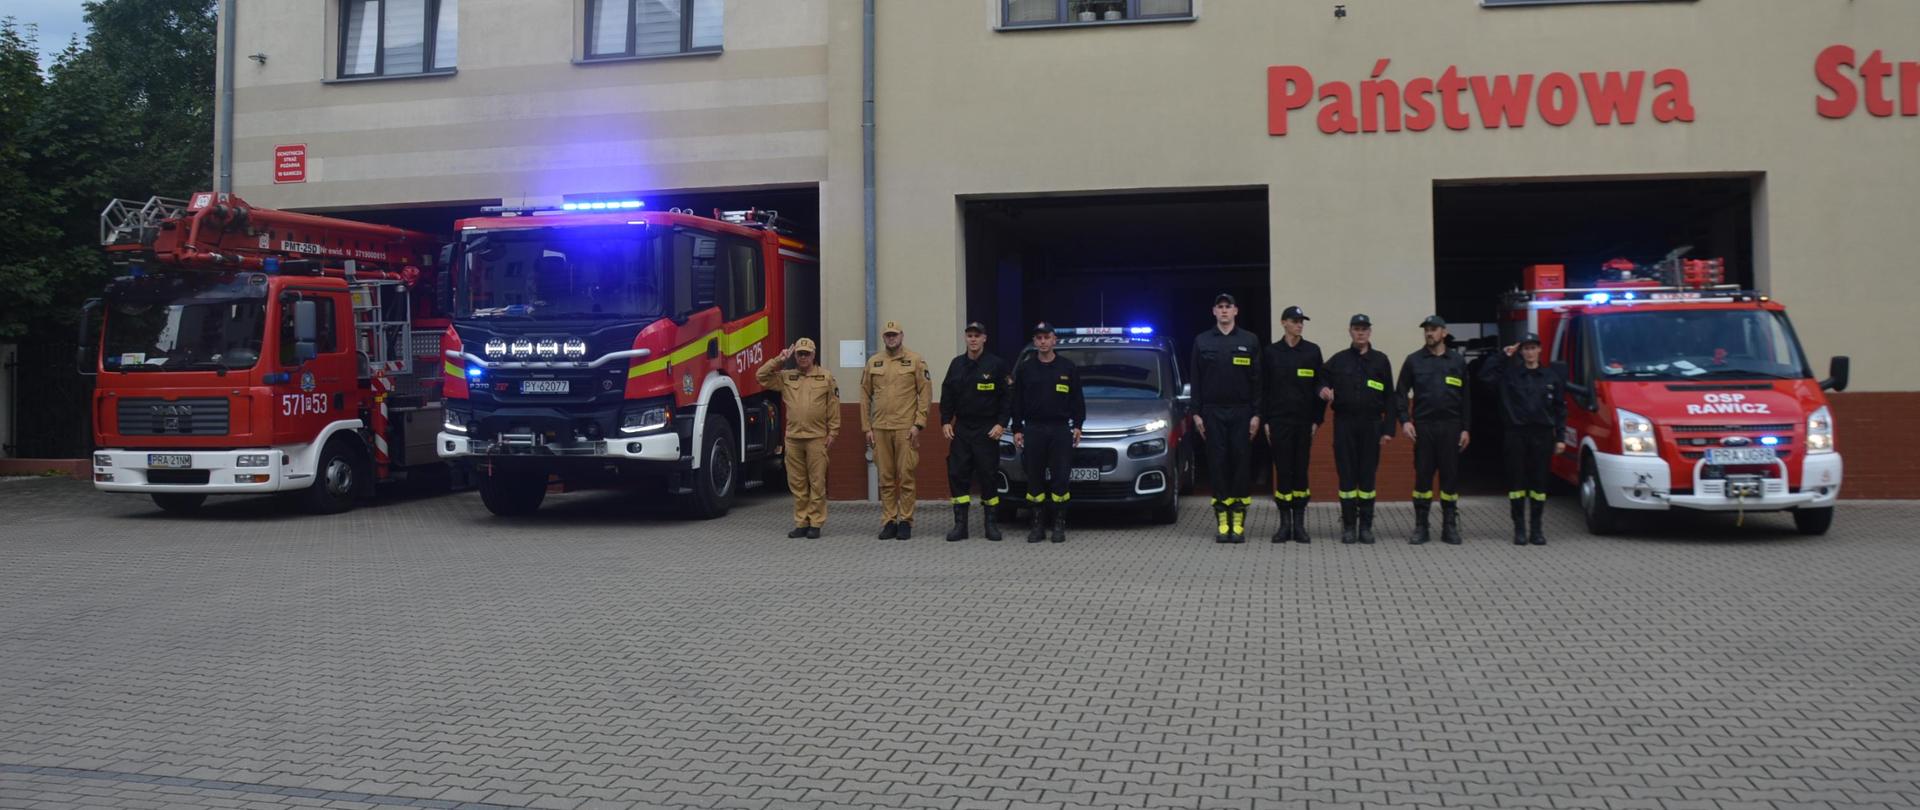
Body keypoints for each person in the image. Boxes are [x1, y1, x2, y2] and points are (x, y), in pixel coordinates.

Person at [1480, 332, 1568, 546]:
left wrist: (1561, 437)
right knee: (1516, 483)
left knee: (1539, 485)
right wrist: (1503, 355)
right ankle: (1519, 529)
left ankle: (1536, 529)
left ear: (1539, 350)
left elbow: (1559, 409)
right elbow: (1485, 377)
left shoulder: (1550, 377)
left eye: (1533, 348)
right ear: (1520, 352)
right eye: (1525, 348)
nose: (1529, 352)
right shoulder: (1510, 376)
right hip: (1516, 435)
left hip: (1543, 435)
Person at [1189, 293, 1262, 543]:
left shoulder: (1249, 340)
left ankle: (1239, 521)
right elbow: (1196, 380)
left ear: (1235, 311)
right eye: (1219, 307)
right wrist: (1196, 413)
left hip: (1242, 412)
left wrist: (1256, 414)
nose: (1223, 311)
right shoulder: (1202, 341)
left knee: (1241, 464)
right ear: (1213, 311)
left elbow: (1257, 381)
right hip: (1212, 412)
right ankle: (1222, 521)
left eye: (1227, 307)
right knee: (1218, 464)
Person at [1396, 315, 1471, 546]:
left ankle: (1449, 526)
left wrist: (1466, 428)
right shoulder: (1414, 361)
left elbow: (1466, 399)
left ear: (1444, 332)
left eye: (1434, 329)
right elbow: (1400, 393)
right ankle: (1421, 526)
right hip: (1424, 427)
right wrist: (1405, 421)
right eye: (1427, 330)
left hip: (1451, 427)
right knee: (1423, 478)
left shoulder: (1457, 362)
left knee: (1449, 479)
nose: (1429, 333)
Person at [1320, 314, 1394, 544]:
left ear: (1369, 332)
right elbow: (1320, 377)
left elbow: (1390, 397)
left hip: (1371, 425)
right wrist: (1322, 388)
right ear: (1350, 332)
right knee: (1347, 476)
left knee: (1367, 476)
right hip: (1344, 424)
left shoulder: (1381, 360)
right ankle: (1349, 526)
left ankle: (1366, 527)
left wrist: (1388, 429)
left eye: (1364, 329)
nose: (1360, 332)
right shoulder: (1339, 360)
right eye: (1356, 329)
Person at [756, 338, 839, 538]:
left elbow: (833, 407)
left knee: (817, 482)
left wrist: (833, 432)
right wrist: (779, 360)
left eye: (806, 354)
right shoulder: (787, 377)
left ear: (813, 355)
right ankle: (802, 522)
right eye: (799, 354)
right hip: (793, 438)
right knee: (797, 483)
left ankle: (816, 523)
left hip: (816, 438)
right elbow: (761, 376)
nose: (803, 357)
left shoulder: (825, 377)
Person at [1010, 322, 1085, 543]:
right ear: (1034, 342)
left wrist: (1078, 425)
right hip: (1034, 429)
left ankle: (1059, 525)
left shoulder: (1067, 368)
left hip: (1060, 429)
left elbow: (1077, 401)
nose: (1043, 342)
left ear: (1054, 340)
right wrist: (1017, 428)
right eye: (1039, 338)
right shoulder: (1025, 368)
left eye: (1046, 338)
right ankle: (1037, 526)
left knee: (1061, 478)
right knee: (1034, 479)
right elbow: (1017, 402)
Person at [940, 321, 1012, 542]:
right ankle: (960, 525)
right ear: (965, 338)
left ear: (984, 339)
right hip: (962, 428)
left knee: (988, 475)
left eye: (977, 335)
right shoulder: (956, 364)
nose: (973, 339)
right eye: (969, 335)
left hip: (987, 429)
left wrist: (1001, 424)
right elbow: (947, 395)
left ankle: (991, 525)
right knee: (957, 474)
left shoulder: (996, 365)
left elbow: (1007, 398)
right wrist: (945, 421)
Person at [861, 320, 931, 540]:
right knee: (886, 478)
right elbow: (864, 395)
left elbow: (925, 394)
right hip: (880, 429)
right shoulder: (874, 362)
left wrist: (918, 424)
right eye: (888, 335)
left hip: (905, 429)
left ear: (902, 335)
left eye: (895, 334)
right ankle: (889, 520)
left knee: (906, 476)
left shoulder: (915, 360)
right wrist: (866, 427)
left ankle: (906, 521)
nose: (891, 338)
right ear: (883, 338)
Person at [1261, 305, 1326, 543]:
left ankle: (1299, 525)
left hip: (1303, 422)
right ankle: (1284, 525)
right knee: (1284, 472)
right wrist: (1266, 420)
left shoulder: (1311, 351)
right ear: (1283, 323)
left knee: (1300, 473)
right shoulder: (1271, 353)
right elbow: (1263, 389)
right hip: (1279, 422)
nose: (1300, 324)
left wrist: (1317, 420)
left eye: (1302, 321)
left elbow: (1320, 386)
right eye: (1295, 321)